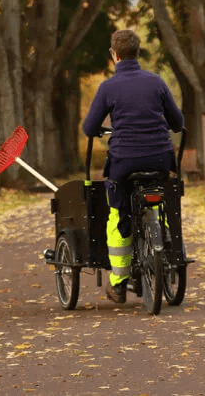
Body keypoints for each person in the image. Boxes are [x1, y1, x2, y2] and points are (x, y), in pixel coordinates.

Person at [82, 29, 184, 304]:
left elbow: (90, 128)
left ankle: (119, 283)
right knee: (156, 201)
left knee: (117, 213)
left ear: (115, 55)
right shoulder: (157, 82)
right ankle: (162, 242)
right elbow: (177, 121)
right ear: (137, 53)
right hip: (160, 158)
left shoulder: (108, 87)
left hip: (125, 161)